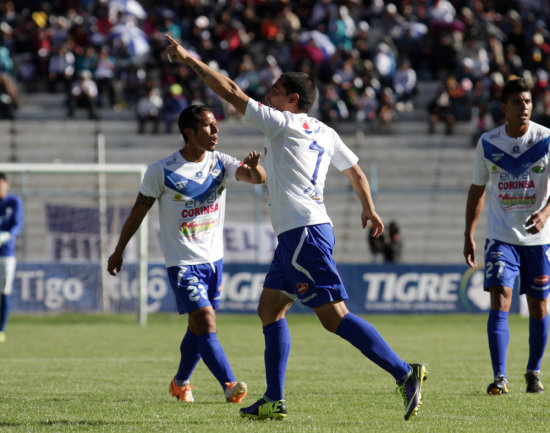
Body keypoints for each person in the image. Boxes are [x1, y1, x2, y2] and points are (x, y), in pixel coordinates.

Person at [165, 34, 427, 421]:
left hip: (304, 233)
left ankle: (404, 373)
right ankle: (274, 398)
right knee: (270, 308)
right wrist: (368, 208)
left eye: (275, 90)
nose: (267, 95)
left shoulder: (282, 124)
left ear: (293, 101)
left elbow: (232, 91)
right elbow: (355, 171)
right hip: (300, 233)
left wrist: (189, 59)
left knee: (333, 317)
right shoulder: (325, 131)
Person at [107, 104, 266, 403]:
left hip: (214, 261)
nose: (216, 131)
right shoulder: (161, 171)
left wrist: (255, 166)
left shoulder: (220, 163)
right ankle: (230, 385)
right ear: (189, 133)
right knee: (206, 320)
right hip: (182, 263)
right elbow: (138, 211)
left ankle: (180, 383)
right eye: (208, 126)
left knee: (197, 327)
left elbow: (256, 178)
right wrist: (119, 250)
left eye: (216, 125)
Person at [464, 77, 550, 395]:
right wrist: (468, 234)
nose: (524, 107)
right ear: (505, 108)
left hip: (538, 241)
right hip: (500, 237)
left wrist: (544, 214)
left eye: (527, 101)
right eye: (518, 102)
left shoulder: (546, 139)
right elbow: (476, 190)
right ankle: (500, 377)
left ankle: (533, 372)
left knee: (539, 306)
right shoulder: (488, 143)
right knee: (500, 298)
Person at [0, 172, 24, 342]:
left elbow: (17, 225)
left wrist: (6, 236)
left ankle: (1, 330)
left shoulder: (14, 202)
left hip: (6, 254)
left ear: (6, 184)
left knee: (4, 292)